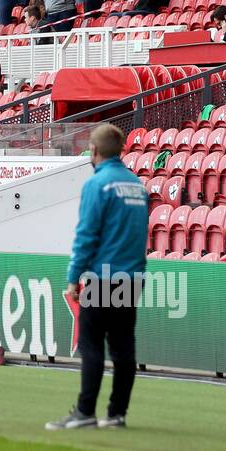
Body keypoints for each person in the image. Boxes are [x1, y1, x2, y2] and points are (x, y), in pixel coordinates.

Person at [48, 124, 148, 430]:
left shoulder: (96, 185)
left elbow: (86, 235)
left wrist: (73, 277)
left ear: (94, 150)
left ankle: (85, 411)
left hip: (102, 277)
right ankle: (117, 413)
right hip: (131, 278)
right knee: (123, 348)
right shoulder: (137, 185)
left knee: (91, 345)